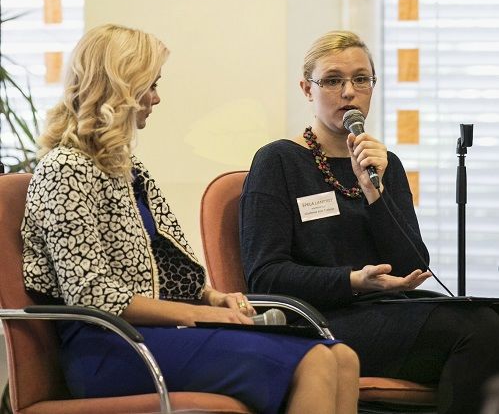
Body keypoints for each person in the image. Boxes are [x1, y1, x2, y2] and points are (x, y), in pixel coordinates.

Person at [22, 23, 359, 414]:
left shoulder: (128, 168)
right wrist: (201, 314)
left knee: (343, 358)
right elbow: (91, 293)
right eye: (149, 85)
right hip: (108, 346)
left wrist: (212, 297)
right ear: (120, 89)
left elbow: (170, 265)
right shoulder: (65, 169)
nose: (157, 98)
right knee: (315, 361)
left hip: (153, 335)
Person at [240, 29, 499, 414]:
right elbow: (265, 276)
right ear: (307, 89)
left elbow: (412, 265)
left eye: (361, 79)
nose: (349, 92)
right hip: (318, 320)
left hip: (387, 312)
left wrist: (375, 194)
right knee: (480, 330)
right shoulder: (277, 161)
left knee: (490, 320)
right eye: (333, 80)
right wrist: (352, 280)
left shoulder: (383, 164)